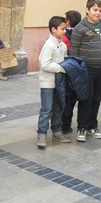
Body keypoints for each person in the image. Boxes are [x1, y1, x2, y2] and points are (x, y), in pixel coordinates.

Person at [70, 0, 101, 142]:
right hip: (86, 70)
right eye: (95, 10)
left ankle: (93, 126)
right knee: (86, 98)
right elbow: (74, 51)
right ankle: (82, 127)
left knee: (97, 98)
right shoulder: (79, 28)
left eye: (100, 10)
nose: (98, 13)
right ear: (87, 10)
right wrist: (77, 70)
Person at [36, 16, 71, 148]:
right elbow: (44, 64)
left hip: (59, 83)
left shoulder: (62, 45)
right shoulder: (49, 45)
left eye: (65, 29)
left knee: (58, 108)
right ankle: (42, 135)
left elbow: (64, 59)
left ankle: (57, 132)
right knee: (47, 109)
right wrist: (62, 68)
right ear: (53, 29)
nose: (64, 31)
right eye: (62, 29)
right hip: (48, 83)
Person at [61, 10, 82, 134]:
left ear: (67, 22)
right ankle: (67, 124)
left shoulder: (64, 37)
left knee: (65, 99)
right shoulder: (81, 34)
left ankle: (63, 125)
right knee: (72, 99)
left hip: (65, 71)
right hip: (77, 71)